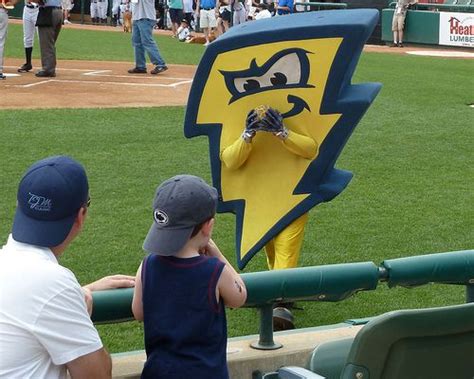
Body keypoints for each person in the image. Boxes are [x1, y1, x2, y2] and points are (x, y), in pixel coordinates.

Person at [0, 155, 136, 378]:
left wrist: (80, 293)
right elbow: (96, 375)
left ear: (18, 205)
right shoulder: (52, 283)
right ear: (81, 215)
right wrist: (77, 306)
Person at [132, 174, 247, 378]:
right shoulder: (213, 270)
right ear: (208, 226)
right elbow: (239, 296)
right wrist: (217, 254)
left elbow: (139, 312)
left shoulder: (147, 265)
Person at [220, 107, 318, 330]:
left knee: (286, 248)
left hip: (292, 200)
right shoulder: (234, 117)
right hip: (257, 201)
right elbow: (230, 160)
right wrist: (247, 135)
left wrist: (283, 132)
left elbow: (311, 149)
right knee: (271, 248)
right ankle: (281, 292)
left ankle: (281, 303)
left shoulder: (299, 114)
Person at [128, 0, 168, 74]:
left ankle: (160, 64)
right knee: (136, 42)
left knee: (147, 41)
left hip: (146, 18)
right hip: (136, 17)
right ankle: (140, 66)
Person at [35, 0, 64, 77]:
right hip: (59, 11)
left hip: (48, 12)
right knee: (50, 43)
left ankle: (48, 69)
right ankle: (51, 68)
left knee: (46, 43)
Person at [17, 1, 39, 73]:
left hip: (38, 10)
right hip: (27, 9)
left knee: (42, 38)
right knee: (27, 38)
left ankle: (47, 66)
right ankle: (28, 63)